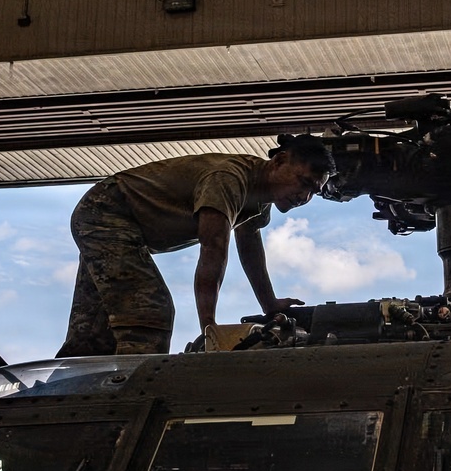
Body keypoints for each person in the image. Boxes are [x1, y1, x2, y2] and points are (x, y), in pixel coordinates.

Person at [57, 134, 335, 357]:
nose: (304, 196)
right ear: (279, 161)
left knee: (92, 330)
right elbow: (213, 250)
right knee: (149, 311)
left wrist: (269, 304)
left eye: (313, 191)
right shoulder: (228, 180)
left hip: (116, 224)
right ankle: (129, 391)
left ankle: (60, 391)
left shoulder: (262, 198)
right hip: (105, 213)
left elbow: (250, 247)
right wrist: (210, 329)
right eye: (303, 182)